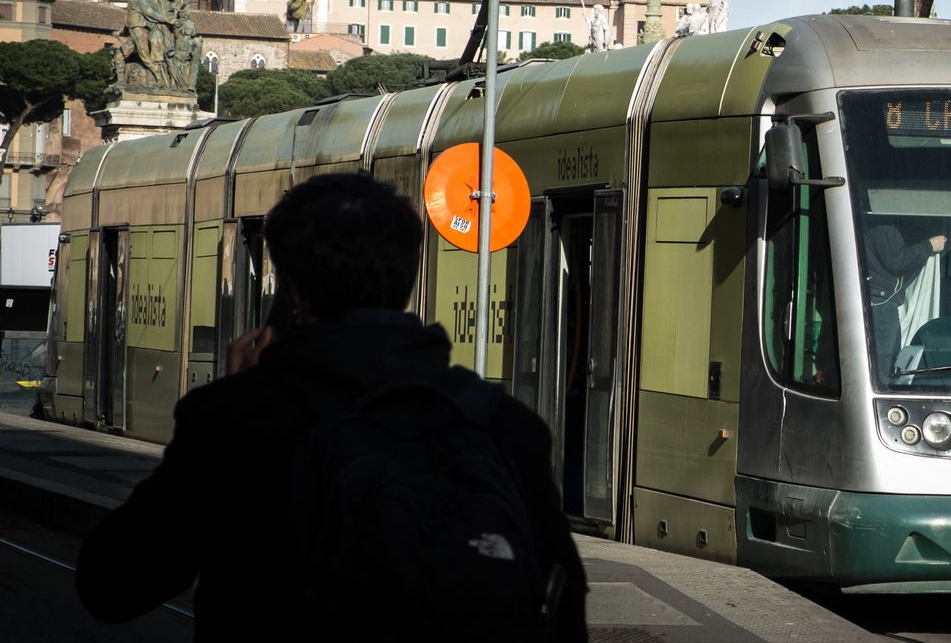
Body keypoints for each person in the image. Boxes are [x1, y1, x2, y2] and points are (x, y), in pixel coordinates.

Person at [76, 173, 586, 641]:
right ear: (407, 280)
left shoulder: (237, 417)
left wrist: (235, 405)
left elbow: (113, 585)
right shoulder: (504, 424)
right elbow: (562, 607)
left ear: (294, 293)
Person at [865, 222, 945, 373]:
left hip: (885, 302)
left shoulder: (885, 228)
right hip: (880, 303)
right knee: (882, 365)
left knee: (891, 362)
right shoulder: (884, 227)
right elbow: (896, 261)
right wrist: (928, 246)